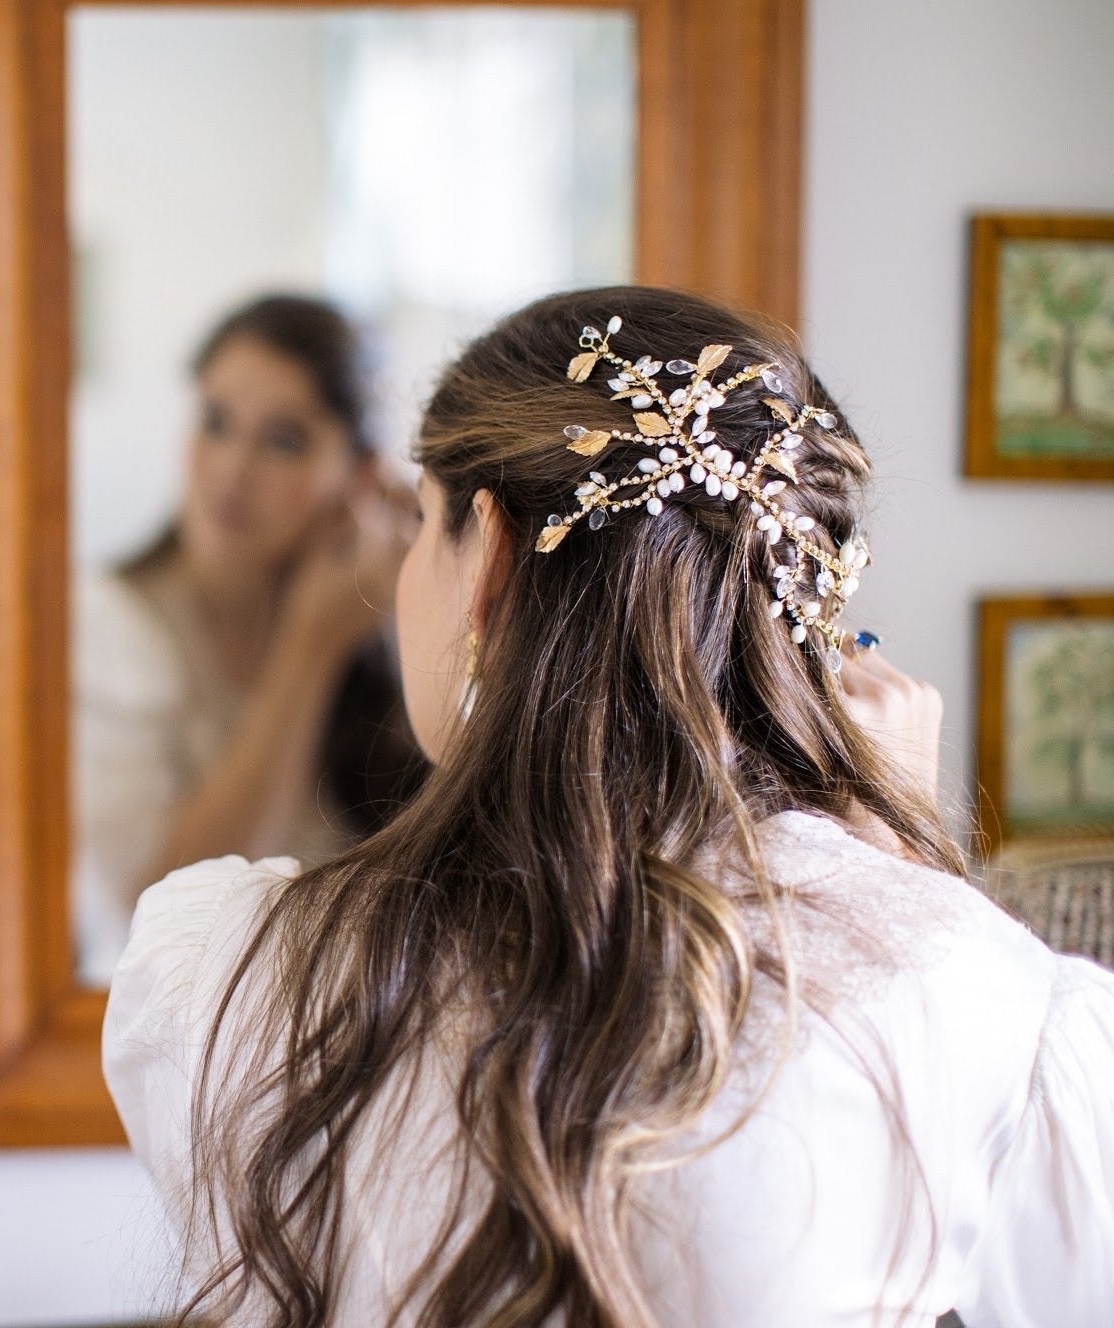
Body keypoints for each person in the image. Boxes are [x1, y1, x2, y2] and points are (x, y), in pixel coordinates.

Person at [104, 286, 1114, 1325]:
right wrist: (903, 877)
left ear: (487, 556)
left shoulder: (231, 975)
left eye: (419, 526)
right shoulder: (979, 997)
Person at [72, 295, 425, 985]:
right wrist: (309, 652)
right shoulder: (110, 624)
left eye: (284, 441)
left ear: (359, 476)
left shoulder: (377, 624)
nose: (232, 470)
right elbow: (146, 917)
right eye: (216, 422)